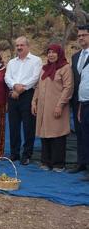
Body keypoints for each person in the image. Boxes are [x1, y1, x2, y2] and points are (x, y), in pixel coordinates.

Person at [31, 44, 73, 172]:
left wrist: (60, 105)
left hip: (56, 108)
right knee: (45, 134)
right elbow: (38, 87)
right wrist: (34, 102)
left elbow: (68, 88)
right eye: (48, 52)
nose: (51, 55)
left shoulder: (65, 68)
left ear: (59, 53)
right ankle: (46, 162)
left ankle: (58, 164)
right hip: (44, 108)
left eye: (53, 52)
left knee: (57, 135)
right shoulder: (44, 69)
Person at [5, 36, 42, 165]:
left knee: (28, 127)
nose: (19, 47)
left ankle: (27, 154)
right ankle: (14, 153)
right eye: (17, 45)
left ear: (28, 46)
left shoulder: (36, 60)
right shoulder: (11, 62)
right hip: (13, 95)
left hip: (28, 95)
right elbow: (7, 77)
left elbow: (35, 77)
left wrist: (21, 88)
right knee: (13, 126)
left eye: (22, 45)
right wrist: (15, 86)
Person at [69, 24, 89, 173]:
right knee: (81, 133)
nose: (81, 38)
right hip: (78, 102)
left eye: (84, 35)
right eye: (79, 36)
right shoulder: (75, 56)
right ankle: (81, 163)